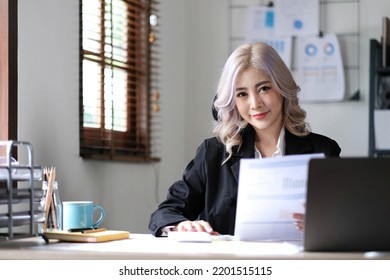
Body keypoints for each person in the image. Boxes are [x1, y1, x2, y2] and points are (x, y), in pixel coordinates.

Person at [149, 42, 341, 237]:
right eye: (242, 94)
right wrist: (182, 225)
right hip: (232, 266)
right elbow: (166, 213)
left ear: (283, 89)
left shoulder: (323, 150)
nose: (255, 103)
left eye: (264, 89)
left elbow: (347, 218)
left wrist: (323, 223)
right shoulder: (213, 153)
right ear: (233, 101)